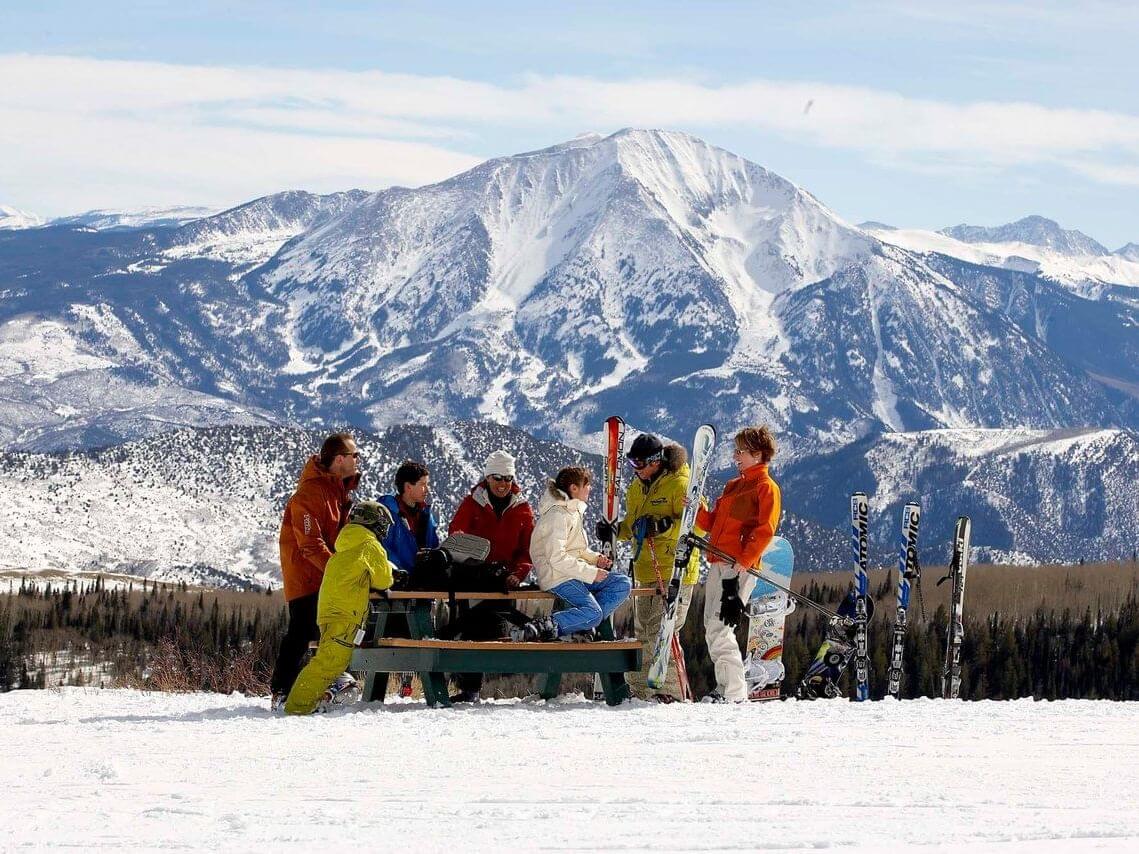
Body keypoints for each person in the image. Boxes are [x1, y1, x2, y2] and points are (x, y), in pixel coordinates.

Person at [596, 433, 698, 702]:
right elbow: (633, 523)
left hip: (673, 571)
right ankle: (643, 690)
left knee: (663, 631)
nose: (635, 470)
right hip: (645, 570)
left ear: (655, 461)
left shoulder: (680, 484)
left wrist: (664, 527)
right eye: (631, 464)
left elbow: (697, 526)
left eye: (638, 464)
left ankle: (669, 691)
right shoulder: (638, 487)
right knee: (645, 633)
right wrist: (616, 530)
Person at [270, 432, 360, 707]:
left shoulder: (338, 491)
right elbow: (310, 543)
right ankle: (283, 690)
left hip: (325, 576)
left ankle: (323, 683)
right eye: (355, 455)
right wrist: (338, 571)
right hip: (306, 576)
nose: (358, 460)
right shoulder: (310, 493)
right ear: (340, 459)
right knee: (302, 630)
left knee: (327, 630)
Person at [694, 426, 781, 703]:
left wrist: (745, 560)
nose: (735, 456)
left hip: (738, 568)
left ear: (758, 454)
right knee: (712, 626)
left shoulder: (765, 488)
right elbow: (711, 523)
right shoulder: (734, 486)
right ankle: (725, 687)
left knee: (721, 627)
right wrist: (694, 509)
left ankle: (733, 692)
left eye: (740, 451)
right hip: (719, 562)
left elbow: (765, 529)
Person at [285, 500, 396, 714]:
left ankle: (306, 704)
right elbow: (383, 580)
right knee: (329, 663)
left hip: (330, 612)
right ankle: (297, 708)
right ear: (375, 523)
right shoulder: (370, 545)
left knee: (329, 661)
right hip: (346, 614)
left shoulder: (346, 543)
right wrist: (392, 575)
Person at [445, 449, 536, 700]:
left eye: (508, 478)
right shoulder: (472, 504)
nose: (503, 484)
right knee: (474, 631)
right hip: (472, 578)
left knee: (487, 631)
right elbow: (456, 536)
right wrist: (475, 560)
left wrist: (518, 574)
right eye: (497, 478)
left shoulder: (522, 509)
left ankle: (475, 687)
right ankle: (469, 688)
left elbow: (527, 550)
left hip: (505, 580)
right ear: (487, 478)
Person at [520, 466, 632, 642]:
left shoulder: (573, 511)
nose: (590, 488)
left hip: (574, 574)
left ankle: (583, 625)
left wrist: (595, 559)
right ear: (574, 488)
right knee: (594, 613)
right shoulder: (557, 515)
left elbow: (577, 549)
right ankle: (547, 626)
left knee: (622, 583)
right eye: (586, 485)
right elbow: (557, 558)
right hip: (558, 576)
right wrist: (591, 573)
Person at [378, 460, 440, 571]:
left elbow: (434, 546)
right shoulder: (388, 514)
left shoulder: (426, 515)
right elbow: (383, 550)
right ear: (408, 487)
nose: (427, 489)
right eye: (422, 484)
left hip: (425, 577)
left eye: (427, 484)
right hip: (397, 578)